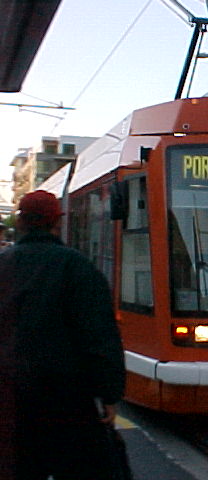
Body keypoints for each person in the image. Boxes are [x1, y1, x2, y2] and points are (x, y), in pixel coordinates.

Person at [0, 190, 126, 480]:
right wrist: (109, 394)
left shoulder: (3, 264)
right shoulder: (78, 266)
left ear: (21, 223)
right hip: (67, 400)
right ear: (57, 222)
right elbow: (99, 335)